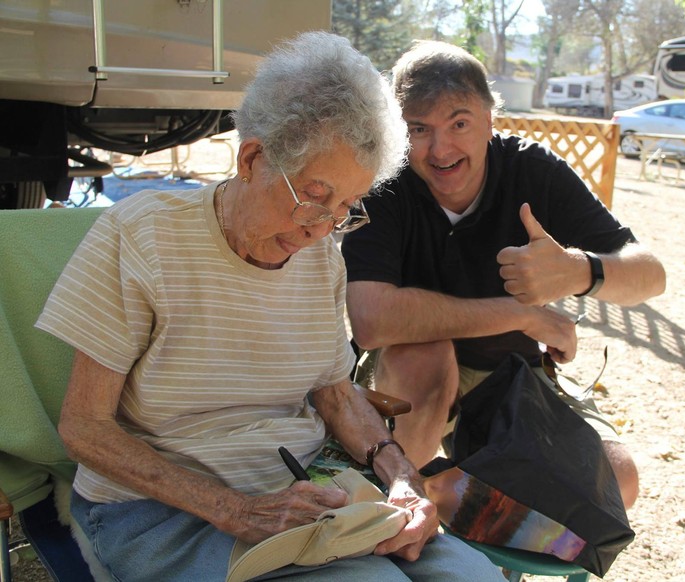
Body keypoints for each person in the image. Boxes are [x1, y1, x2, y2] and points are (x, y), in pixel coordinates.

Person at [36, 32, 502, 581]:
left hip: (296, 491)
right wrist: (235, 510)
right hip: (157, 512)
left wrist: (400, 475)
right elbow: (84, 429)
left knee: (474, 576)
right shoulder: (143, 236)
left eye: (346, 208)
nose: (320, 229)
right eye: (314, 196)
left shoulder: (322, 260)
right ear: (253, 158)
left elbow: (334, 394)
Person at [341, 40, 667, 510]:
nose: (440, 149)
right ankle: (393, 508)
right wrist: (522, 315)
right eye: (419, 128)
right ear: (398, 130)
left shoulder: (532, 171)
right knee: (425, 360)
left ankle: (439, 493)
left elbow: (651, 274)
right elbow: (372, 319)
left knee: (616, 484)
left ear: (491, 120)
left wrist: (580, 270)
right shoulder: (386, 182)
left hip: (510, 373)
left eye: (459, 123)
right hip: (410, 375)